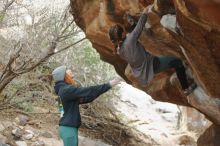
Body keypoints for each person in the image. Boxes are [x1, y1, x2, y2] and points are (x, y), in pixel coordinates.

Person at [108, 6, 196, 96]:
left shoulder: (119, 50)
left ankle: (182, 76)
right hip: (153, 64)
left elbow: (133, 35)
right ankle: (185, 89)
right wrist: (145, 13)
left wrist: (131, 21)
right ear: (122, 34)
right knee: (178, 61)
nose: (125, 31)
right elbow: (138, 28)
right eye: (123, 31)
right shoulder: (129, 41)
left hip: (144, 69)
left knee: (170, 59)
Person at [52, 66, 121, 146]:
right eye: (70, 74)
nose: (73, 76)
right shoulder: (67, 90)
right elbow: (89, 90)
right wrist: (110, 84)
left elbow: (86, 98)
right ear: (64, 76)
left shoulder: (60, 93)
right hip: (69, 129)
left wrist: (100, 91)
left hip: (65, 128)